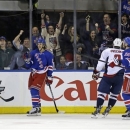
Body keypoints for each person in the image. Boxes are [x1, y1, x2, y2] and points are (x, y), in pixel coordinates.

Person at [91, 38, 124, 118]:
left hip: (108, 76)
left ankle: (98, 110)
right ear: (121, 45)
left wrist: (96, 72)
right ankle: (108, 109)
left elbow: (101, 63)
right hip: (119, 77)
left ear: (113, 44)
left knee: (101, 93)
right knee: (114, 95)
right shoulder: (124, 52)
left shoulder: (107, 51)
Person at [24, 38, 53, 116]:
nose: (39, 45)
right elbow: (28, 65)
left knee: (34, 89)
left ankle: (35, 107)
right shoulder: (33, 53)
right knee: (32, 89)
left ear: (43, 45)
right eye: (38, 44)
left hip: (42, 73)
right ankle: (38, 108)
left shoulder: (48, 54)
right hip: (33, 73)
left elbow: (50, 66)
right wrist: (27, 60)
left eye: (40, 44)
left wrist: (49, 76)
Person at [120, 37, 130, 118]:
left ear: (126, 43)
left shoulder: (125, 52)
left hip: (128, 75)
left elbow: (126, 64)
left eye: (124, 42)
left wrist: (119, 61)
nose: (123, 43)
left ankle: (129, 110)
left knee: (125, 93)